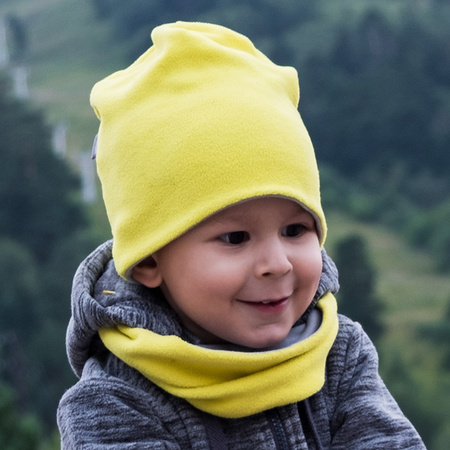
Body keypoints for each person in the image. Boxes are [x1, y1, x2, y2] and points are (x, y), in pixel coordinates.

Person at [57, 21, 425, 449]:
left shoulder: (339, 357)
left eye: (294, 229)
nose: (277, 264)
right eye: (235, 238)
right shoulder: (113, 405)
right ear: (149, 259)